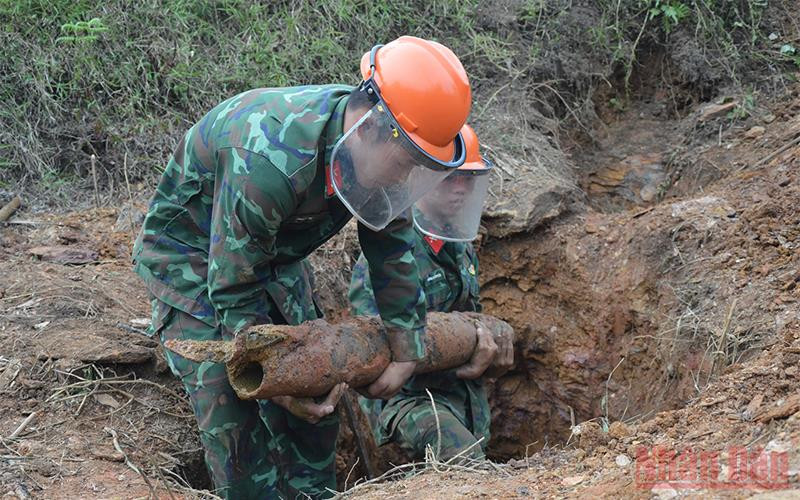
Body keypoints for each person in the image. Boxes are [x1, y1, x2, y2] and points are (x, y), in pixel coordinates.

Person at [132, 36, 472, 499]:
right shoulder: (270, 158)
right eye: (409, 160)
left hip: (272, 251)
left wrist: (406, 344)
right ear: (374, 125)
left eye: (422, 164)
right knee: (235, 408)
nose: (407, 176)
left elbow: (392, 245)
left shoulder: (376, 151)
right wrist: (276, 384)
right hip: (191, 256)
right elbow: (231, 284)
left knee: (320, 388)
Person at [349, 125, 514, 462]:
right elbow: (370, 348)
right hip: (408, 405)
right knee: (469, 470)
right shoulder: (392, 256)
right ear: (424, 177)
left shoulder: (460, 247)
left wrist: (484, 351)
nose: (462, 189)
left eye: (469, 179)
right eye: (452, 177)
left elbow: (473, 317)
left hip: (462, 399)